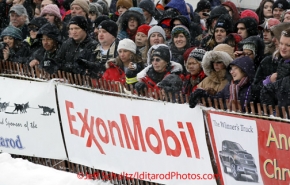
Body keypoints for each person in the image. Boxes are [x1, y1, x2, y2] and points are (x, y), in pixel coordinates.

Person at [189, 56, 257, 113]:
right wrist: (202, 94)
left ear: (245, 70)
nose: (232, 72)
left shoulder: (254, 88)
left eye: (235, 68)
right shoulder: (229, 87)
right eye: (231, 69)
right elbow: (216, 101)